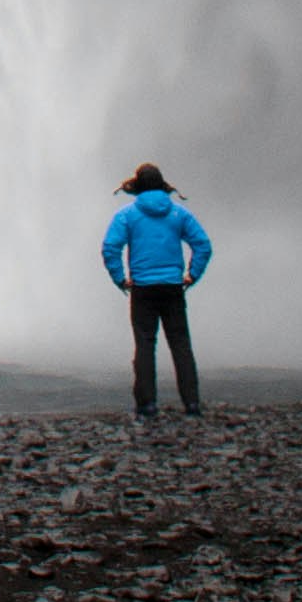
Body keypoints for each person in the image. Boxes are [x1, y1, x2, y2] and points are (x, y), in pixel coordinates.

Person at [101, 161, 212, 421]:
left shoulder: (127, 215)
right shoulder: (179, 214)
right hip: (173, 287)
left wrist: (120, 278)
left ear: (136, 186)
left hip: (142, 288)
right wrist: (192, 275)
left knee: (145, 346)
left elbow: (110, 248)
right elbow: (203, 245)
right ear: (163, 185)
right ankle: (192, 405)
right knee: (181, 345)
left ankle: (147, 406)